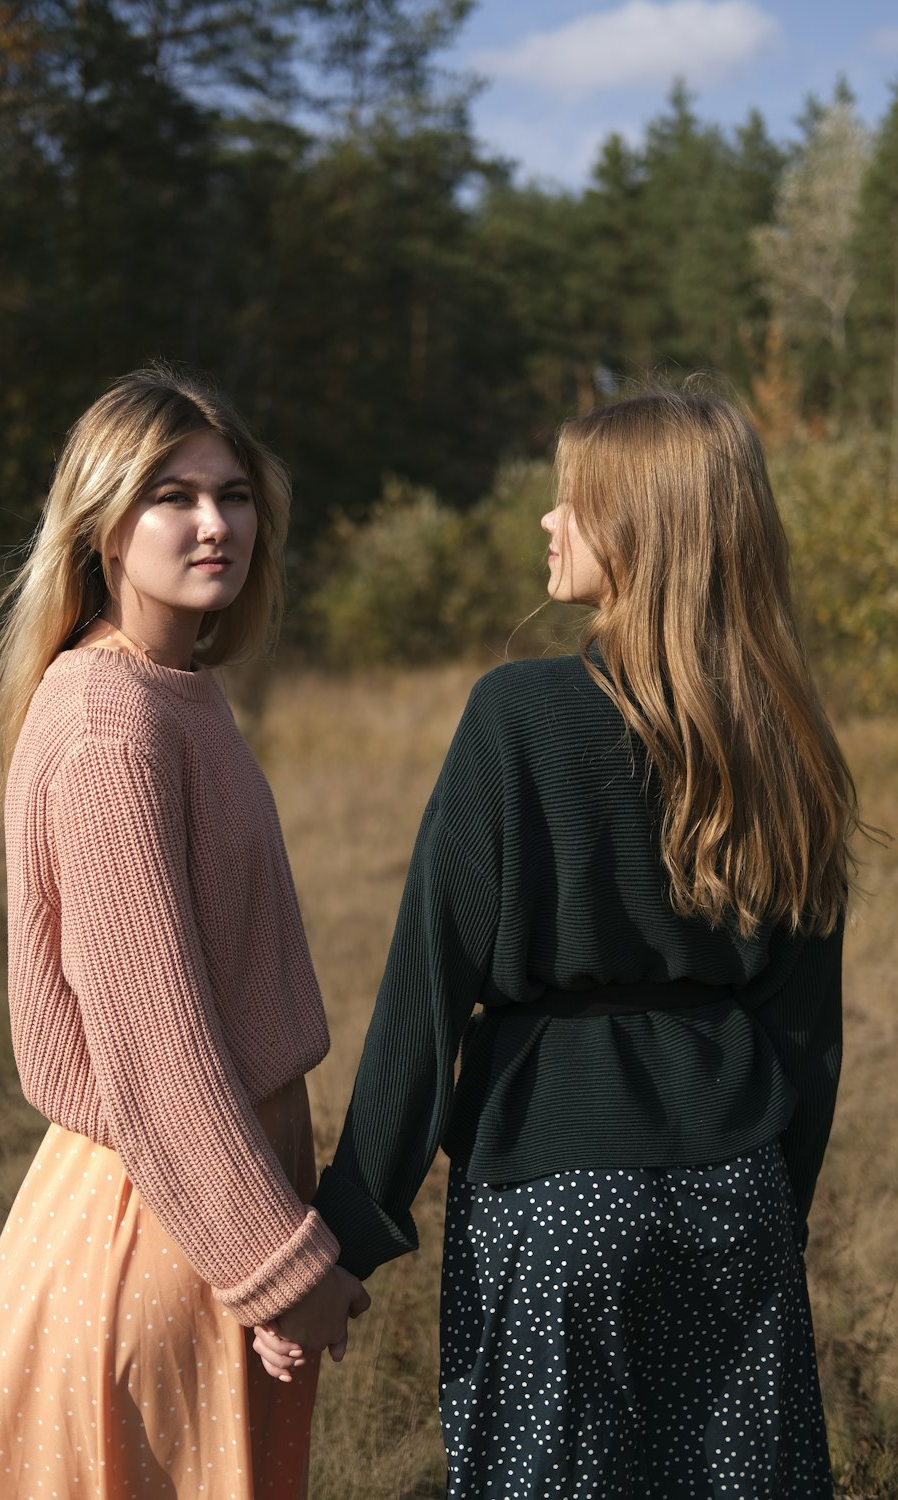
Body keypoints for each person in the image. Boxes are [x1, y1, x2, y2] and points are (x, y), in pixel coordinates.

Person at [256, 385, 856, 1497]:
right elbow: (807, 1039)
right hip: (738, 1193)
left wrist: (344, 1232)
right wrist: (775, 1205)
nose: (547, 522)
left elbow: (426, 992)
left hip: (557, 1188)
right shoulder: (788, 735)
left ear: (637, 530)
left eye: (570, 501)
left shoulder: (519, 714)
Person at [0, 364, 368, 1500]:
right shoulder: (111, 719)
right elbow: (152, 1048)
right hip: (158, 1213)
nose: (216, 524)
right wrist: (272, 1263)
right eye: (174, 495)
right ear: (102, 525)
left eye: (235, 493)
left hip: (211, 1192)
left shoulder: (179, 690)